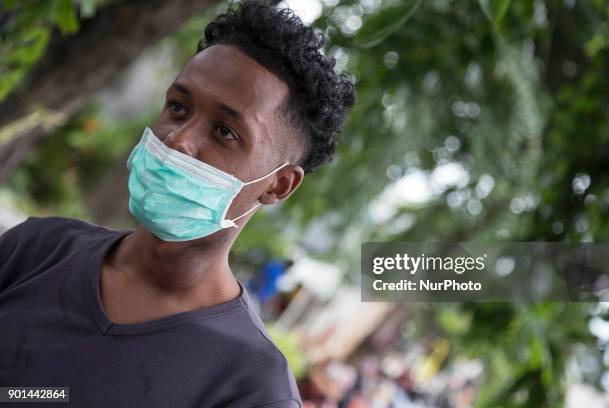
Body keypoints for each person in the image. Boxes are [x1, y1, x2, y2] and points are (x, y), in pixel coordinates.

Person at [0, 1, 356, 406]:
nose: (179, 138)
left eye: (224, 131)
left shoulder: (252, 387)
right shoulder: (38, 249)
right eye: (178, 107)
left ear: (277, 185)